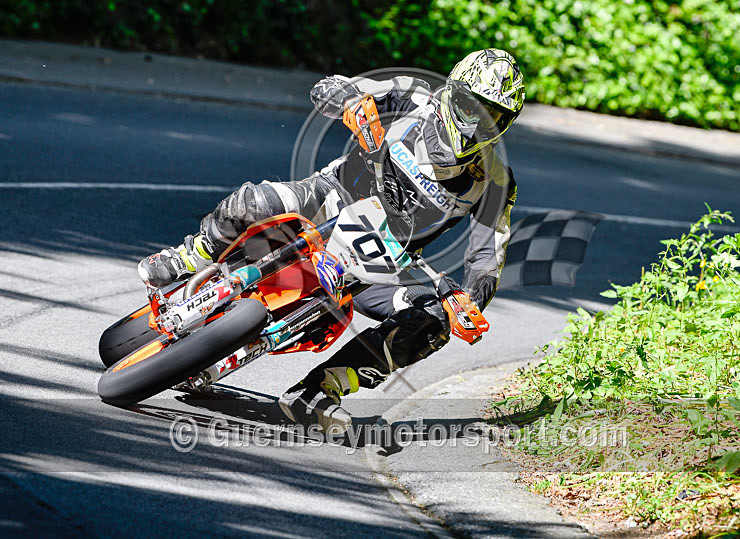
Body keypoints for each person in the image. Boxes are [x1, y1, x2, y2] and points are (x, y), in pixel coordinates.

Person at [138, 49, 525, 431]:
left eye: (493, 116)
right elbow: (332, 88)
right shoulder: (411, 95)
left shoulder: (495, 180)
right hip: (329, 199)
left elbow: (488, 259)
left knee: (434, 319)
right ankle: (189, 257)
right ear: (451, 92)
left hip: (383, 263)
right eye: (471, 107)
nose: (477, 123)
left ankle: (319, 390)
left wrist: (469, 303)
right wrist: (352, 102)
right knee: (257, 200)